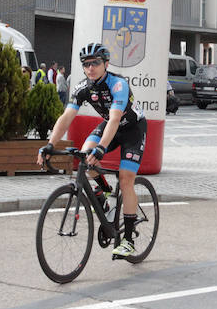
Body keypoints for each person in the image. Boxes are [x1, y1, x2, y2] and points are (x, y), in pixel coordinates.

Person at [37, 42, 146, 259]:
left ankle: (129, 240)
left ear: (106, 63)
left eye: (95, 63)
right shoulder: (82, 88)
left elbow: (115, 118)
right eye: (86, 64)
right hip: (110, 127)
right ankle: (104, 191)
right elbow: (66, 117)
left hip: (132, 129)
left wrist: (102, 148)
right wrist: (50, 145)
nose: (90, 68)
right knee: (86, 155)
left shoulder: (118, 85)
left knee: (125, 179)